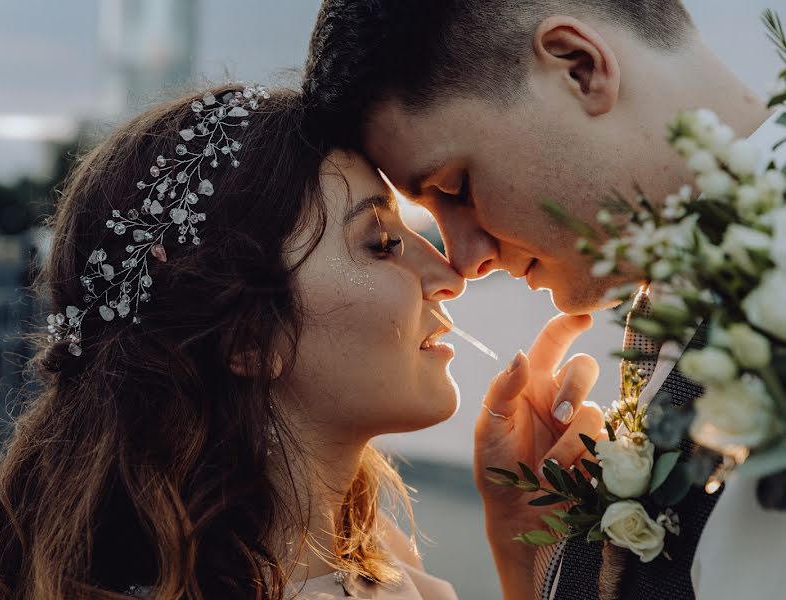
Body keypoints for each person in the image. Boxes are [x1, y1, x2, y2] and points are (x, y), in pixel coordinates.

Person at [0, 85, 599, 600]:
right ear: (249, 336)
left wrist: (524, 546)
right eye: (382, 244)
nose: (448, 273)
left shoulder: (366, 558)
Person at [302, 1, 778, 599]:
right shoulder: (674, 314)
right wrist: (535, 562)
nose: (465, 260)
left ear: (580, 67)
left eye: (458, 186)